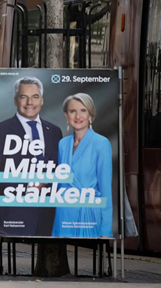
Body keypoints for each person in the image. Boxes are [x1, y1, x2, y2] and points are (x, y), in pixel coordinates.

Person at [0, 76, 63, 236]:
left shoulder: (54, 131)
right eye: (23, 97)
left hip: (49, 212)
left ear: (42, 100)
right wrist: (28, 187)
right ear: (15, 100)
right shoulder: (0, 130)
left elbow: (59, 167)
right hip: (16, 213)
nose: (29, 103)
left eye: (35, 97)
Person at [52, 93, 113, 237]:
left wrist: (105, 229)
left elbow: (105, 189)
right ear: (66, 116)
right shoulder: (62, 144)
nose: (78, 116)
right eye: (73, 111)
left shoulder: (101, 143)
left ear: (90, 115)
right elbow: (61, 183)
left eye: (83, 110)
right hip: (64, 214)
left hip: (89, 215)